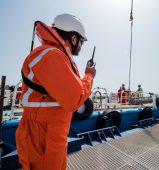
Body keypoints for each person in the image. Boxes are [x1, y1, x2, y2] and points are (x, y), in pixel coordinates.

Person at [16, 13, 96, 170]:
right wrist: (89, 75)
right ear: (73, 38)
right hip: (42, 138)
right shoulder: (51, 55)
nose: (81, 46)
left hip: (48, 134)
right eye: (81, 41)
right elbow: (75, 98)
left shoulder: (53, 55)